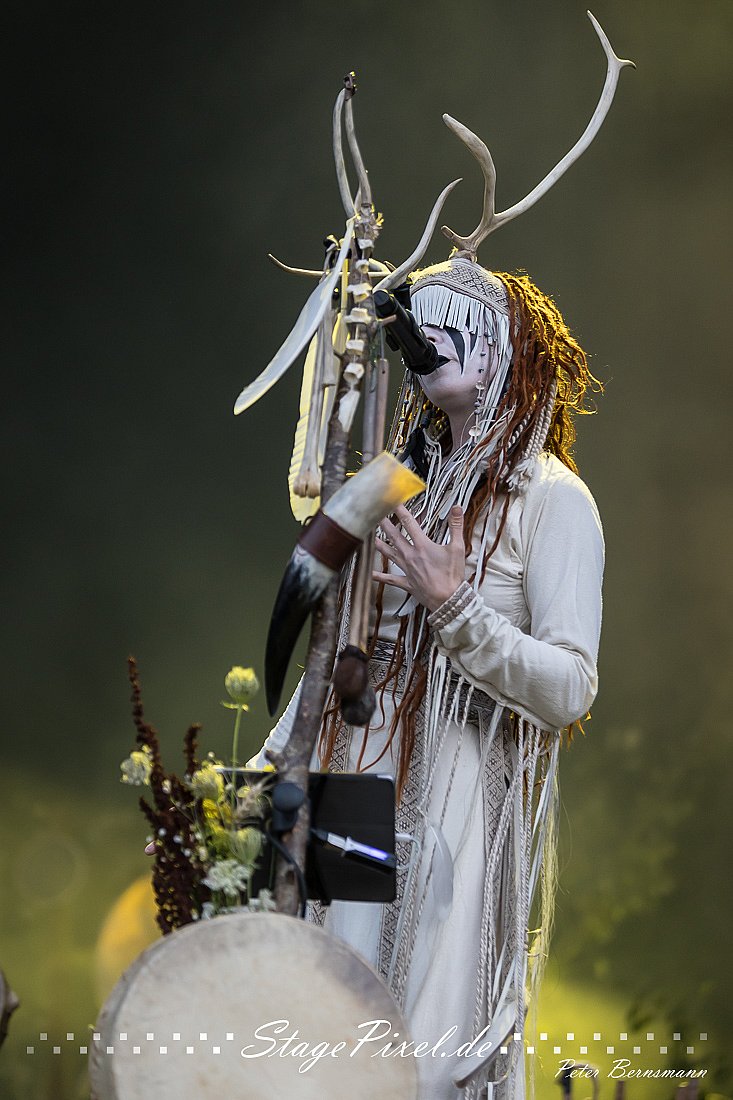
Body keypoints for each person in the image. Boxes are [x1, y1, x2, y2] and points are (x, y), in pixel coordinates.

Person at [248, 254, 605, 1099]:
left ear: (506, 349)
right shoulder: (389, 484)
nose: (430, 335)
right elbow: (331, 651)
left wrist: (456, 608)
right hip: (350, 778)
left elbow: (570, 688)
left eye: (457, 322)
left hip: (455, 796)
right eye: (422, 318)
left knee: (423, 1049)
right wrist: (262, 773)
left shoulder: (551, 499)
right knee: (324, 1032)